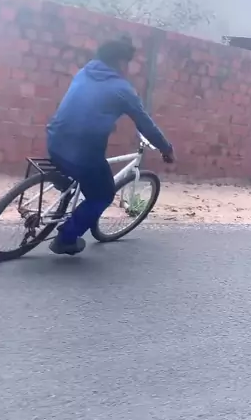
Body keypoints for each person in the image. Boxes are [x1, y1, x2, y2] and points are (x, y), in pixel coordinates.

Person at [46, 36, 174, 256]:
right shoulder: (122, 89)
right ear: (121, 62)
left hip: (54, 141)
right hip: (82, 154)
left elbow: (85, 106)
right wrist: (166, 148)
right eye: (128, 63)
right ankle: (66, 239)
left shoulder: (84, 72)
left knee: (77, 171)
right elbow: (146, 125)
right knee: (102, 195)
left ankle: (63, 183)